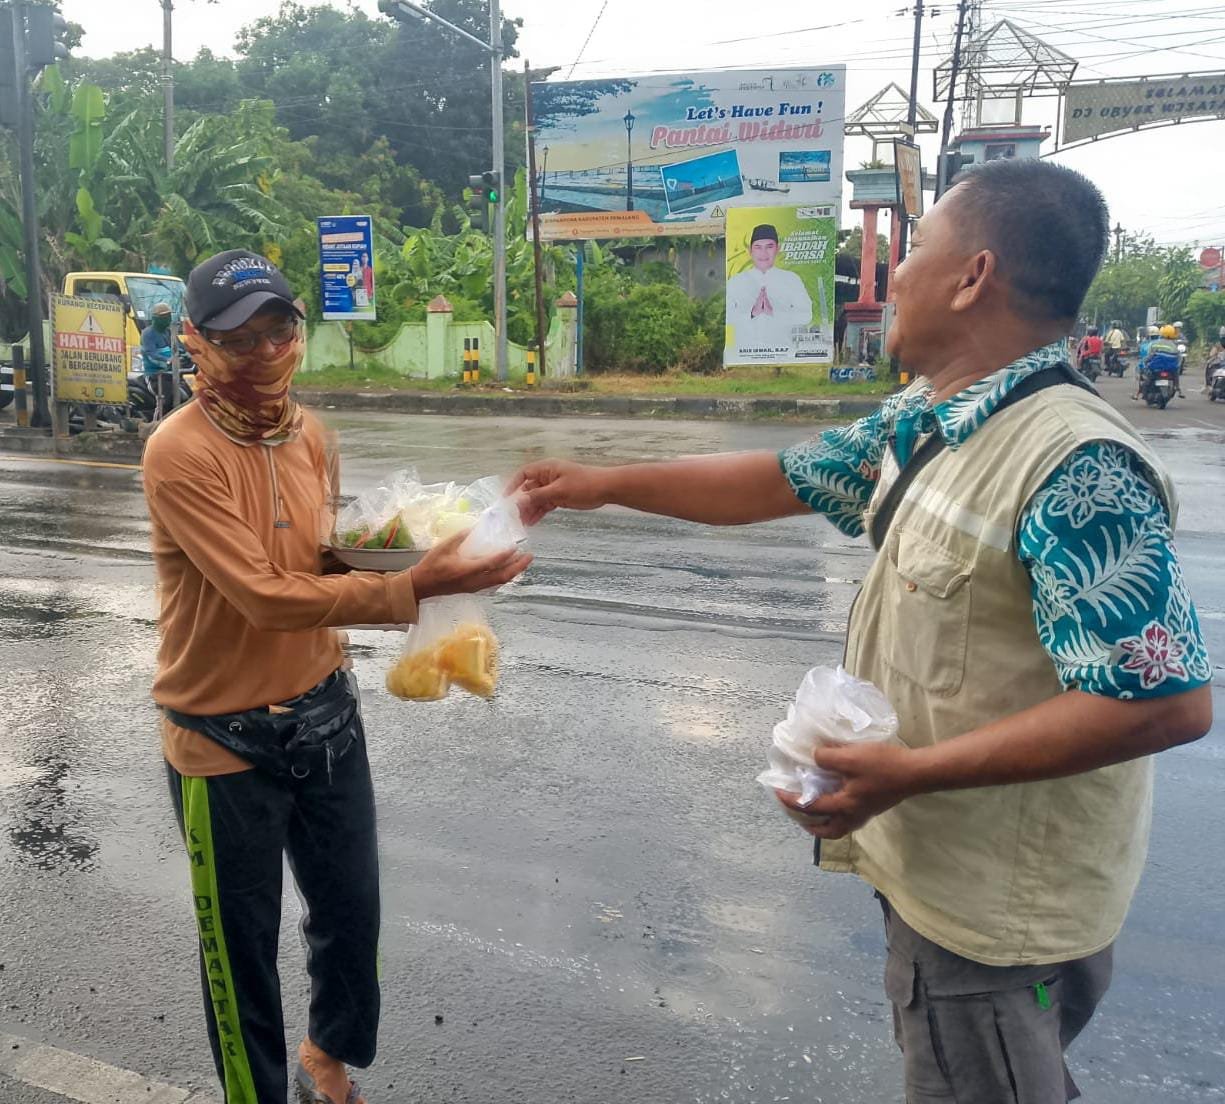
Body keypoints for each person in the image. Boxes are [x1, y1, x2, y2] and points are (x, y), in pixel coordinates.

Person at [509, 159, 1212, 1104]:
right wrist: (600, 484)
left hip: (993, 914)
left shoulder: (1073, 462)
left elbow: (1160, 704)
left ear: (973, 277)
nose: (889, 282)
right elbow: (779, 479)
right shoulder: (932, 418)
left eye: (913, 252)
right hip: (941, 872)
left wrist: (909, 774)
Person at [142, 249, 531, 1104]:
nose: (269, 351)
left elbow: (318, 563)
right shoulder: (179, 453)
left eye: (280, 327)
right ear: (199, 346)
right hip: (220, 737)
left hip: (323, 714)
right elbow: (259, 594)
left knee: (352, 918)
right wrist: (417, 585)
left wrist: (427, 545)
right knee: (240, 957)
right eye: (241, 339)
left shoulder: (314, 434)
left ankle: (329, 1052)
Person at [726, 224, 812, 359]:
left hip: (784, 354)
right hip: (744, 355)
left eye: (769, 247)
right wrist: (752, 313)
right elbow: (726, 317)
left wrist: (774, 312)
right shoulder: (736, 281)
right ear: (750, 251)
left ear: (777, 249)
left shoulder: (791, 279)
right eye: (758, 247)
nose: (764, 253)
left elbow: (806, 315)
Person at [141, 301, 178, 416]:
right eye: (164, 317)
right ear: (156, 318)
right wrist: (166, 361)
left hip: (172, 373)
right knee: (164, 401)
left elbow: (179, 348)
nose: (168, 319)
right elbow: (150, 354)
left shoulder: (168, 332)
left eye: (169, 316)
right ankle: (156, 427)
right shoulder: (148, 334)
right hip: (156, 375)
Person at [1134, 323, 1181, 400]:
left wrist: (1145, 362)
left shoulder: (1154, 344)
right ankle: (1178, 389)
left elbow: (1149, 356)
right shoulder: (1174, 346)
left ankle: (1139, 393)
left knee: (1147, 377)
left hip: (1156, 368)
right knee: (1176, 375)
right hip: (1170, 369)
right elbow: (1178, 358)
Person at [1205, 325, 1225, 393]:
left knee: (1209, 364)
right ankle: (1209, 385)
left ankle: (1208, 385)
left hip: (1220, 364)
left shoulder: (1218, 344)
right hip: (1220, 364)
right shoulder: (1218, 344)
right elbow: (1212, 353)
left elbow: (1212, 354)